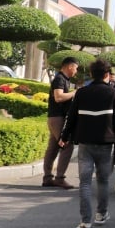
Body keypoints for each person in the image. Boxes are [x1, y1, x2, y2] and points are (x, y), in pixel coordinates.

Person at [58, 58, 115, 228]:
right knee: (103, 181)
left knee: (85, 183)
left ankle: (85, 222)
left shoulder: (81, 92)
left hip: (85, 144)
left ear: (91, 74)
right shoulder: (113, 93)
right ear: (107, 75)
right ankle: (101, 214)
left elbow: (71, 117)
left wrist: (64, 136)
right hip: (105, 144)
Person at [42, 57, 80, 189]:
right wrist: (75, 93)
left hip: (55, 117)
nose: (76, 71)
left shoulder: (63, 79)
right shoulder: (59, 79)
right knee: (67, 145)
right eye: (76, 68)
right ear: (70, 66)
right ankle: (59, 178)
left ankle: (47, 178)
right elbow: (58, 97)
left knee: (53, 147)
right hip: (57, 118)